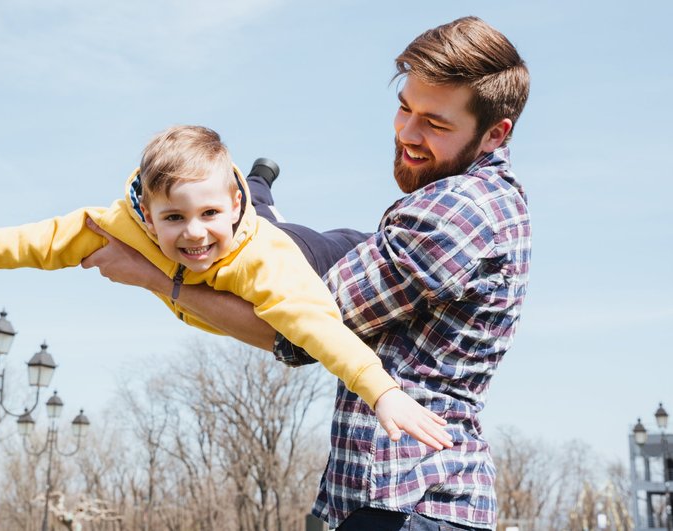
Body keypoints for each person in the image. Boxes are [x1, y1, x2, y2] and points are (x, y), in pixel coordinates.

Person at [79, 16, 531, 531]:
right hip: (399, 501)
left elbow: (293, 328)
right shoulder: (483, 203)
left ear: (495, 133)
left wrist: (154, 275)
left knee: (294, 244)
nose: (408, 132)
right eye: (405, 108)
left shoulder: (455, 212)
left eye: (437, 123)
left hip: (408, 502)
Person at [0, 125, 454, 450]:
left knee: (305, 237)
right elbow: (41, 239)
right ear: (145, 210)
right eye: (173, 219)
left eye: (209, 212)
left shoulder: (268, 263)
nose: (193, 235)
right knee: (250, 209)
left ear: (229, 205)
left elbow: (317, 329)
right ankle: (259, 181)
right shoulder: (121, 222)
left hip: (314, 252)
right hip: (242, 212)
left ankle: (259, 186)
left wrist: (381, 391)